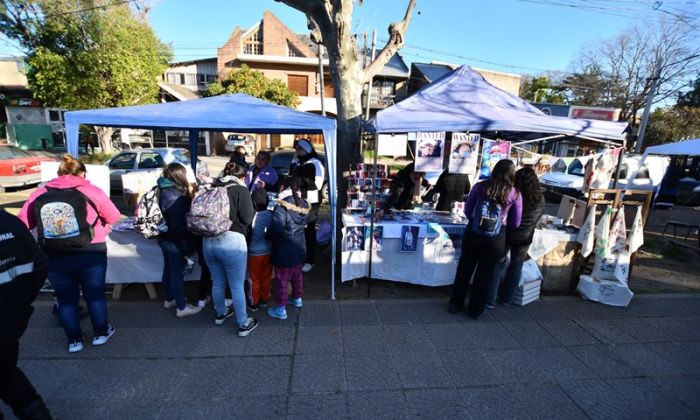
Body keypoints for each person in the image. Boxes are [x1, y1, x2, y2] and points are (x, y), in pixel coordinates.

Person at [19, 154, 121, 353]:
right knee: (95, 295)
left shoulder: (40, 193)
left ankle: (74, 340)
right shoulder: (92, 191)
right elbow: (114, 216)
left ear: (59, 173)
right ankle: (101, 333)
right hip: (91, 251)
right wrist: (103, 229)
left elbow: (24, 221)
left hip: (54, 252)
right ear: (82, 172)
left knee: (65, 298)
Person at [448, 159, 522, 319]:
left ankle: (455, 303)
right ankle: (475, 309)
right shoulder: (514, 193)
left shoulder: (480, 186)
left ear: (494, 170)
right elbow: (515, 222)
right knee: (485, 273)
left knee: (465, 269)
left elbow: (468, 210)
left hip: (474, 232)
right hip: (496, 237)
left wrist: (476, 222)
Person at [0, 210, 53, 419]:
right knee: (7, 374)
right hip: (9, 321)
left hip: (10, 317)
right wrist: (18, 303)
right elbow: (39, 266)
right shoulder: (8, 221)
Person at [203, 162, 258, 337]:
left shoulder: (212, 188)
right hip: (232, 241)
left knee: (217, 282)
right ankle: (243, 323)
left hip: (208, 241)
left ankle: (220, 314)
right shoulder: (240, 190)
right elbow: (248, 218)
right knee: (236, 285)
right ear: (242, 177)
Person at [491, 167, 545, 306]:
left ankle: (490, 299)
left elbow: (507, 216)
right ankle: (506, 299)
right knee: (516, 266)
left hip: (509, 234)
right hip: (525, 237)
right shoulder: (539, 199)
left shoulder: (514, 195)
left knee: (498, 264)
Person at [157, 163, 201, 317]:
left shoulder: (161, 189)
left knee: (168, 269)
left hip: (164, 237)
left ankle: (169, 299)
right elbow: (178, 227)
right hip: (174, 240)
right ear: (178, 176)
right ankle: (182, 307)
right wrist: (186, 248)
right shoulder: (175, 196)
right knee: (177, 273)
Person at [267, 176, 309, 320]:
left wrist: (268, 236)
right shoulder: (303, 203)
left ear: (283, 188)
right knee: (297, 277)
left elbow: (276, 230)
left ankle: (281, 309)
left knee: (282, 281)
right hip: (299, 247)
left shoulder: (281, 206)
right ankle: (297, 299)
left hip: (284, 250)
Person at [289, 139, 324, 273]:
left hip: (310, 202)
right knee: (297, 229)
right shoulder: (297, 163)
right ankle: (300, 256)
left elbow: (317, 185)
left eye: (300, 149)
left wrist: (300, 181)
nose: (298, 151)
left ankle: (310, 260)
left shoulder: (315, 163)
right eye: (296, 149)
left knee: (309, 230)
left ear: (307, 150)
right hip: (296, 200)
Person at [247, 188, 273, 311]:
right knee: (266, 276)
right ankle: (264, 299)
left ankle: (254, 302)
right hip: (268, 251)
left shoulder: (251, 215)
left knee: (254, 279)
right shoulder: (271, 215)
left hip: (254, 253)